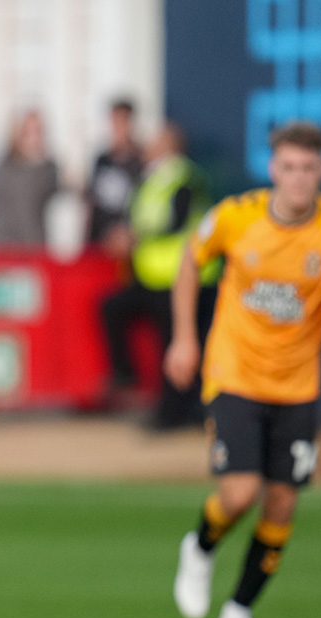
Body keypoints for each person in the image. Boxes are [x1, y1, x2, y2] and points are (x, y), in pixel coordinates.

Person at [166, 122, 321, 618]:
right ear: (273, 170)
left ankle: (238, 612)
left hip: (296, 385)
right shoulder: (236, 216)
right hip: (235, 373)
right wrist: (183, 339)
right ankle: (200, 546)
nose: (297, 179)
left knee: (283, 504)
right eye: (288, 167)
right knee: (240, 492)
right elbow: (189, 261)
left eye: (307, 168)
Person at [100, 122, 216, 429]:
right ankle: (125, 374)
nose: (148, 144)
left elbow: (176, 220)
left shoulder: (184, 176)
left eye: (155, 139)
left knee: (176, 346)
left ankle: (174, 414)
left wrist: (134, 236)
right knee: (112, 308)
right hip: (151, 277)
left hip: (182, 278)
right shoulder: (149, 177)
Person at [0, 109, 59, 245]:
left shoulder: (48, 168)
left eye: (38, 132)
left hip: (36, 246)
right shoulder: (4, 168)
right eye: (28, 132)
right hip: (6, 247)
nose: (34, 138)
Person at [85, 98, 143, 245]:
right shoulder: (102, 160)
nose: (118, 127)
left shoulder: (140, 161)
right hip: (99, 241)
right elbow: (93, 202)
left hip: (125, 243)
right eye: (115, 121)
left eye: (123, 121)